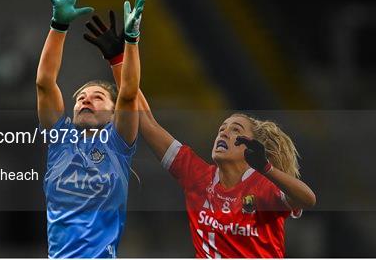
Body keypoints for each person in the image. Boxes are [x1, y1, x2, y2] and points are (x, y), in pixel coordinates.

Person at [83, 14, 316, 258]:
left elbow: (307, 199)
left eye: (236, 129)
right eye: (223, 128)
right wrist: (119, 59)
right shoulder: (197, 177)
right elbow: (148, 123)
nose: (224, 132)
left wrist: (267, 168)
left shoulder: (263, 188)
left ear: (251, 147)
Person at [36, 0, 145, 258]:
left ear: (112, 112)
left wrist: (131, 42)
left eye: (98, 97)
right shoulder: (60, 140)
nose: (86, 99)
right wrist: (58, 26)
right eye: (81, 97)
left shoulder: (117, 144)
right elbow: (45, 83)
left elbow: (129, 93)